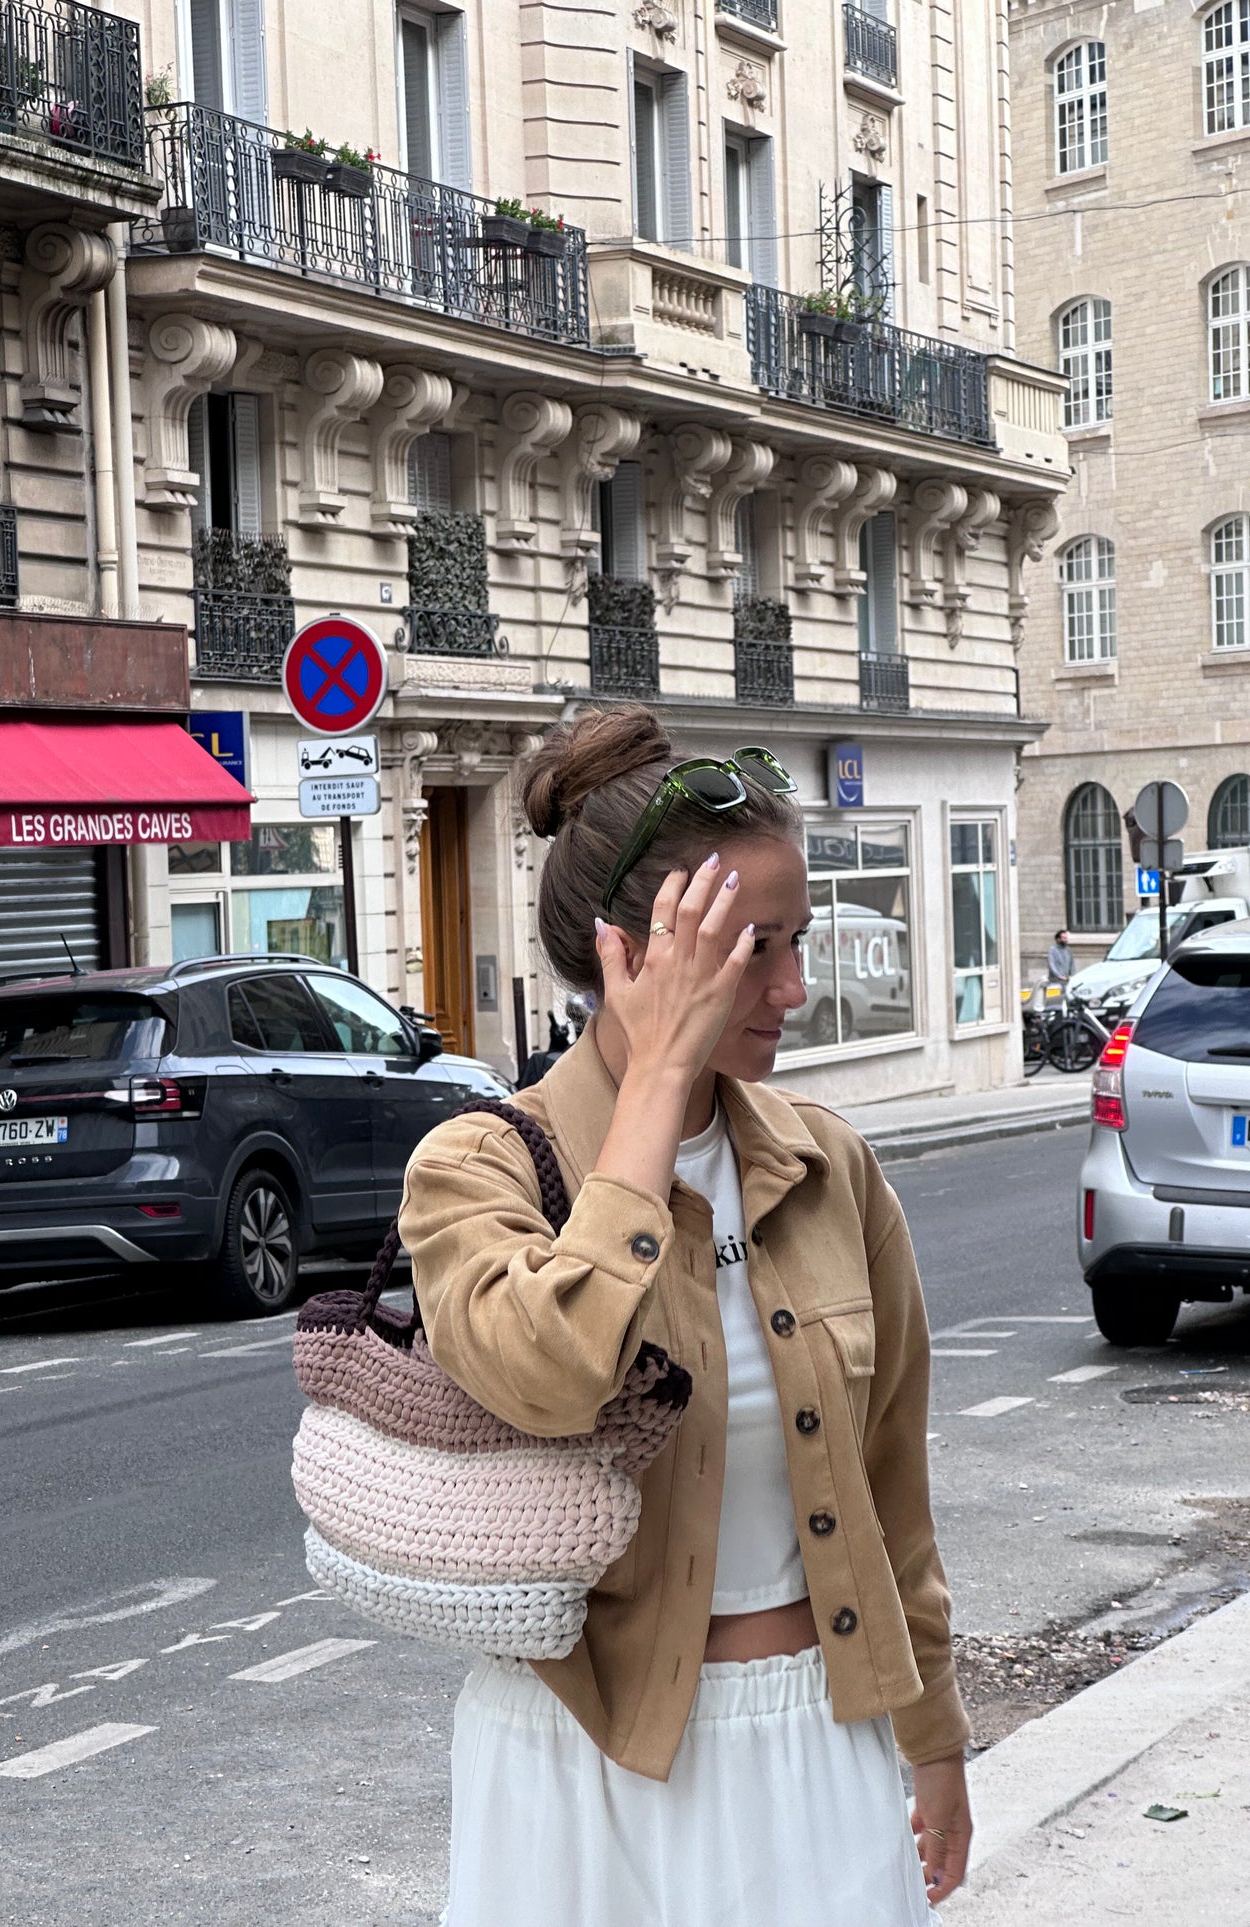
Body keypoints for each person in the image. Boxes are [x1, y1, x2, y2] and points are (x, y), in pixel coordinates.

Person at [399, 707, 971, 1927]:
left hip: (817, 1741)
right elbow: (544, 1373)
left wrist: (934, 1735)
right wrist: (654, 1086)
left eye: (795, 939)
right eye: (754, 948)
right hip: (577, 1761)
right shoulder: (475, 1168)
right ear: (636, 952)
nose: (793, 985)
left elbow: (890, 1489)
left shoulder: (828, 1168)